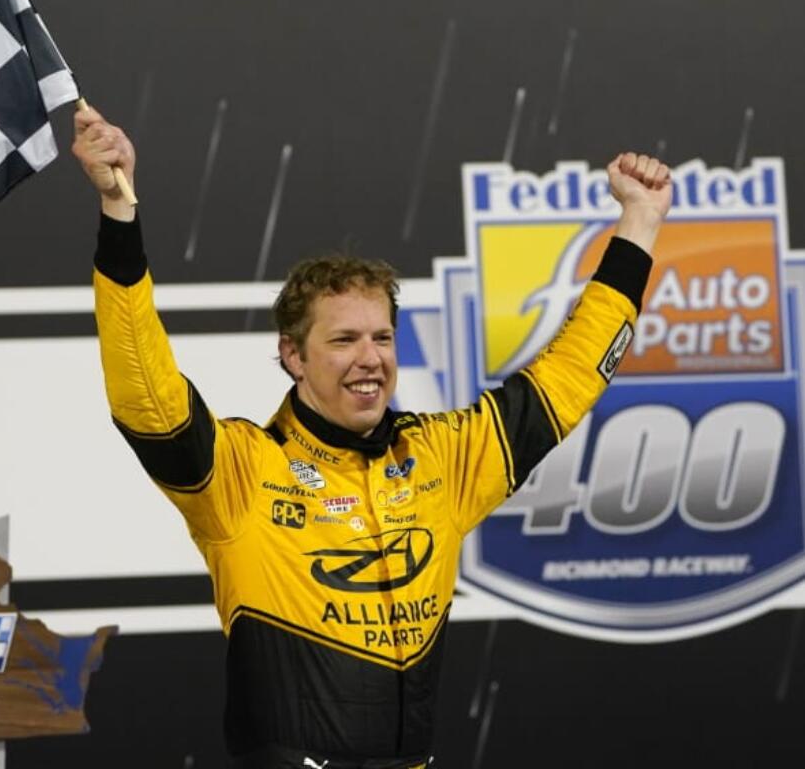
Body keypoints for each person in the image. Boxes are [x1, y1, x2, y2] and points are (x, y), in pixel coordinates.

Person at [74, 104, 668, 769]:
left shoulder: (443, 454)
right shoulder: (238, 471)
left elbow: (570, 376)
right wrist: (118, 214)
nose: (370, 357)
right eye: (343, 339)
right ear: (293, 355)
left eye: (382, 337)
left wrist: (639, 221)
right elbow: (144, 392)